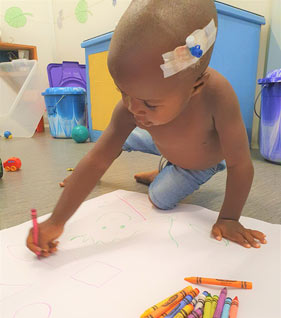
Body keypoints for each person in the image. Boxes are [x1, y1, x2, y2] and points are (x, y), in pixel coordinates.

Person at [26, 0, 267, 256]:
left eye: (150, 103)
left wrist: (229, 218)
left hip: (200, 161)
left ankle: (166, 169)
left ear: (194, 88)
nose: (132, 107)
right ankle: (166, 161)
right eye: (123, 92)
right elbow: (97, 160)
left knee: (158, 198)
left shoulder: (218, 95)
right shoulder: (135, 107)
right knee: (116, 138)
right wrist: (55, 221)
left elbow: (240, 164)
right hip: (162, 139)